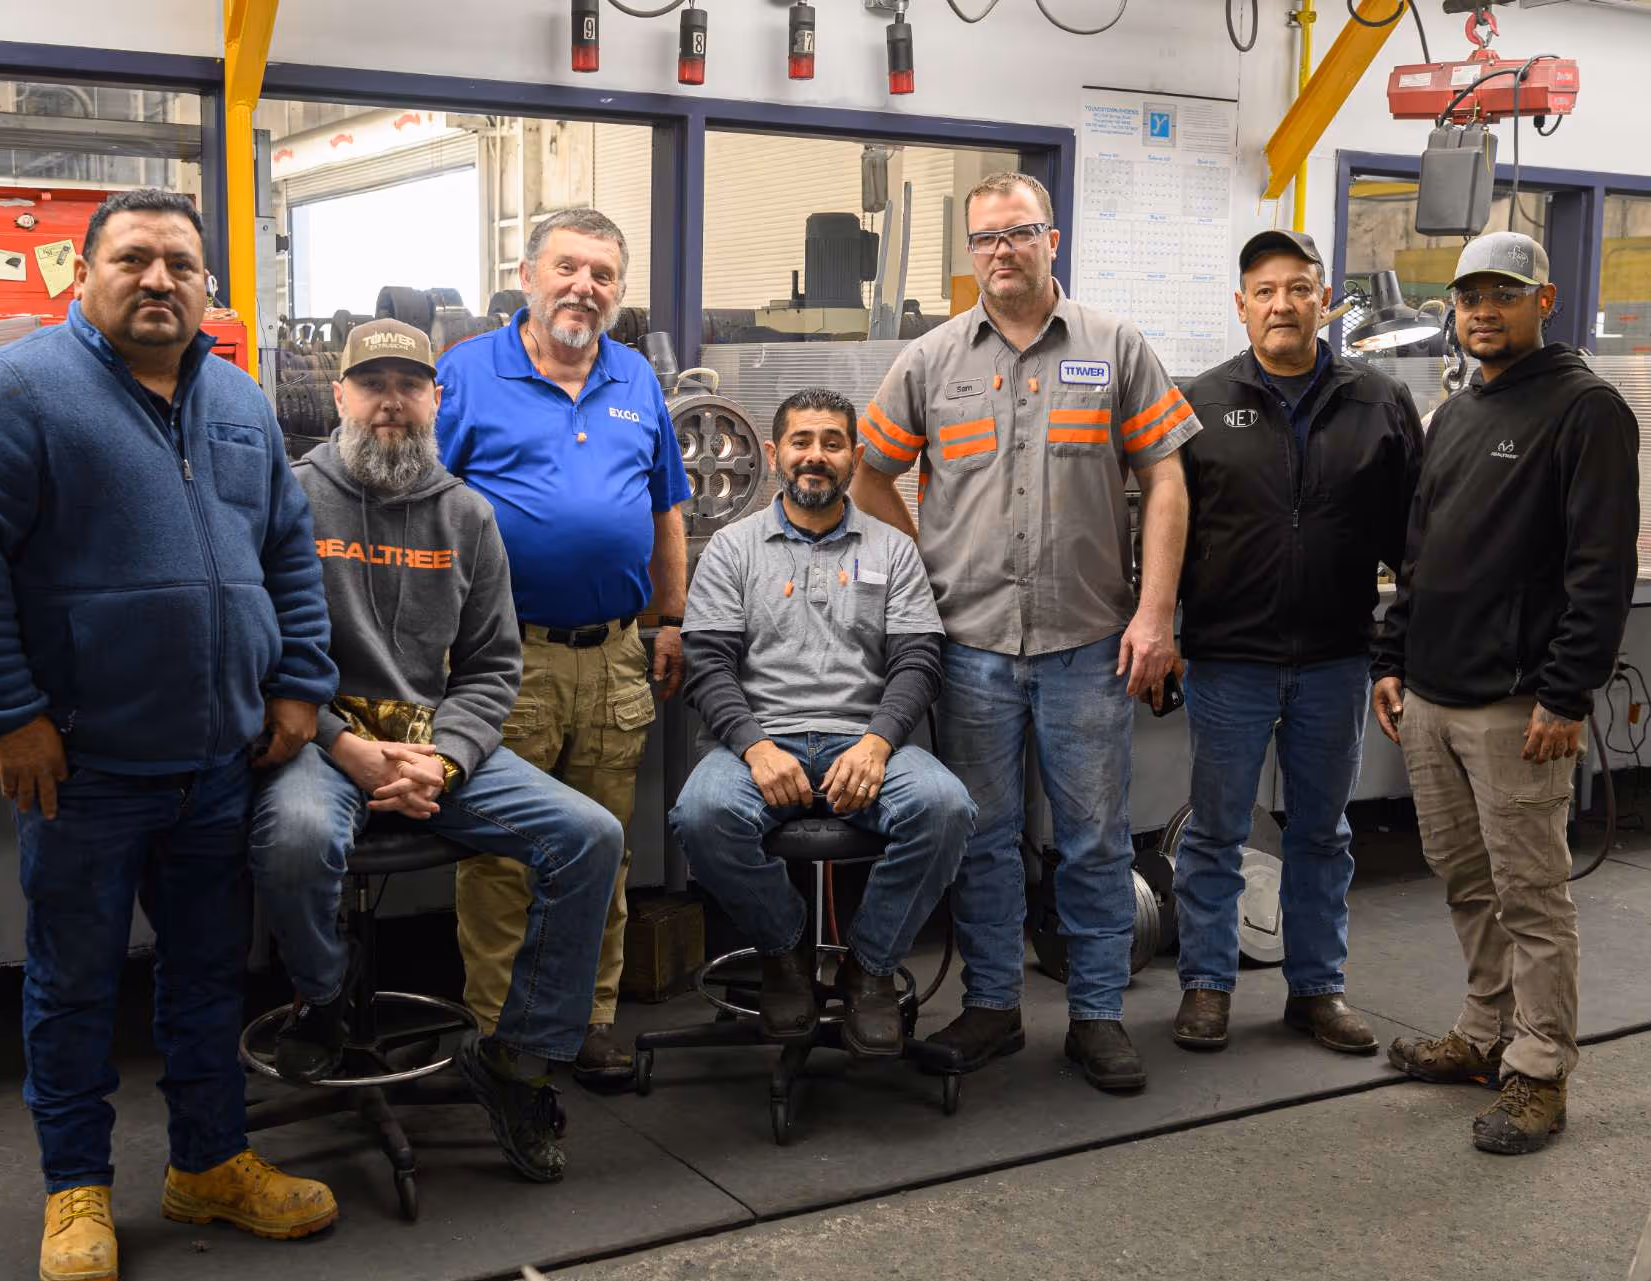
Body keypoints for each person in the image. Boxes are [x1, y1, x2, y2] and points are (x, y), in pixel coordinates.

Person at [0, 189, 340, 1281]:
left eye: (181, 265)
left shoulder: (239, 402)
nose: (159, 280)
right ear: (83, 275)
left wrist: (299, 680)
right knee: (74, 979)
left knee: (206, 975)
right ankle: (76, 1188)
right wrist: (9, 713)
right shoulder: (12, 392)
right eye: (133, 259)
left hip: (218, 759)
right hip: (85, 764)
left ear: (209, 287)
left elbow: (288, 554)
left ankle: (206, 1162)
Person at [849, 171, 1198, 1093]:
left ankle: (1096, 1015)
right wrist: (927, 566)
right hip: (971, 650)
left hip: (1089, 644)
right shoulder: (932, 360)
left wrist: (1155, 612)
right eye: (985, 240)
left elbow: (1166, 479)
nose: (1001, 252)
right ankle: (995, 1005)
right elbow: (870, 475)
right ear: (971, 255)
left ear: (1053, 239)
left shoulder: (1113, 345)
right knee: (986, 837)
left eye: (1019, 234)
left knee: (1094, 840)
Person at [249, 319, 620, 1184]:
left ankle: (517, 1060)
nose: (390, 401)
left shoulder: (467, 513)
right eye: (371, 383)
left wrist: (444, 758)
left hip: (431, 745)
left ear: (435, 400)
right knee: (299, 840)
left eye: (408, 385)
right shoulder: (289, 501)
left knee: (590, 835)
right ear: (339, 397)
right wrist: (347, 747)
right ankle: (325, 996)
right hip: (319, 740)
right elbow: (257, 649)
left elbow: (494, 664)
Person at [1373, 231, 1639, 1155]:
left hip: (1517, 703)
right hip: (1433, 696)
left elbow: (1602, 570)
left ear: (1545, 300)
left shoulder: (1585, 410)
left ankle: (1539, 1070)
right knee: (1464, 877)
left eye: (1505, 293)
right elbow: (1421, 552)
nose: (1483, 309)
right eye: (1469, 295)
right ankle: (1485, 1033)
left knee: (1530, 893)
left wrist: (1565, 695)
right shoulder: (1457, 412)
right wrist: (1391, 656)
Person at [438, 208, 692, 1087]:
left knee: (605, 851)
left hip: (618, 655)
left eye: (603, 274)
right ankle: (502, 1034)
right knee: (507, 855)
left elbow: (666, 507)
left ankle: (587, 1018)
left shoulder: (635, 377)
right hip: (507, 661)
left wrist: (671, 620)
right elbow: (422, 514)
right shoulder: (465, 374)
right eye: (568, 268)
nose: (585, 287)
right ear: (527, 272)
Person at [1169, 229, 1423, 1056]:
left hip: (1334, 660)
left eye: (1299, 288)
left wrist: (1398, 654)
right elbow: (1167, 532)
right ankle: (1207, 986)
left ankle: (1316, 990)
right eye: (1266, 290)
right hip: (1227, 659)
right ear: (1240, 305)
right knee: (1214, 830)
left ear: (1324, 300)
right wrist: (1164, 632)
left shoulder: (1378, 401)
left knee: (1323, 831)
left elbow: (1415, 544)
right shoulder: (1199, 403)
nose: (1283, 303)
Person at [670, 389, 975, 1054]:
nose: (816, 456)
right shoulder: (731, 548)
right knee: (700, 814)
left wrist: (876, 742)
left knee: (946, 807)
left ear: (855, 456)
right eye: (802, 441)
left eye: (832, 442)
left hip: (865, 740)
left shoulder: (893, 550)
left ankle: (867, 966)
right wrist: (754, 749)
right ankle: (782, 954)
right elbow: (709, 666)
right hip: (761, 741)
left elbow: (919, 663)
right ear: (776, 453)